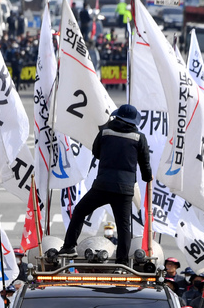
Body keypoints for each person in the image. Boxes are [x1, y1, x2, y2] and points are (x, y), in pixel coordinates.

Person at [58, 104, 152, 266]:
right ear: (133, 121)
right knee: (124, 227)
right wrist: (147, 177)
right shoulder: (139, 138)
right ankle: (122, 262)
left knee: (80, 211)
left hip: (102, 186)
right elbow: (145, 166)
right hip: (124, 190)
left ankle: (68, 246)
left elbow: (96, 153)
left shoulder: (105, 132)